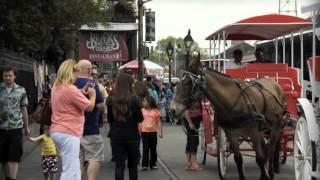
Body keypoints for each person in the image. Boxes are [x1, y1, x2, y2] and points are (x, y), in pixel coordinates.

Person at [50, 59, 96, 180]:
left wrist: (81, 91)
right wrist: (92, 95)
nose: (77, 76)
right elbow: (89, 107)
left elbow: (70, 97)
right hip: (68, 132)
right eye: (76, 73)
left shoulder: (56, 86)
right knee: (70, 170)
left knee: (74, 166)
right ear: (70, 72)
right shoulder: (70, 89)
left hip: (58, 130)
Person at [107, 73, 143, 180]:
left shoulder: (110, 100)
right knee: (133, 166)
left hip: (116, 136)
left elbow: (109, 119)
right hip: (132, 136)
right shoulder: (134, 99)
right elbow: (140, 119)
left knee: (119, 166)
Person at [75, 60, 105, 180]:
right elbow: (100, 106)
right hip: (90, 127)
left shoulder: (70, 83)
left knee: (78, 159)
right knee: (94, 157)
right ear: (89, 70)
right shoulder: (91, 84)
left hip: (73, 129)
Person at [0, 66, 30, 180]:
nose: (7, 78)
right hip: (1, 128)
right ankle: (7, 177)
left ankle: (13, 178)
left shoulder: (21, 90)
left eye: (10, 75)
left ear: (14, 76)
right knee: (3, 157)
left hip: (16, 128)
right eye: (5, 76)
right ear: (3, 76)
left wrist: (26, 127)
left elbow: (24, 109)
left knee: (14, 156)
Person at [140, 95, 163, 170]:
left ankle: (153, 163)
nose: (143, 102)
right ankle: (144, 164)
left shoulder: (156, 111)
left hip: (153, 132)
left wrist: (160, 132)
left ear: (149, 102)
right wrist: (139, 131)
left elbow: (159, 122)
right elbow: (139, 122)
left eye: (144, 101)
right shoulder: (142, 110)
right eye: (143, 101)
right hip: (144, 132)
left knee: (153, 148)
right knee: (145, 148)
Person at [184, 101, 203, 171]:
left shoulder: (197, 98)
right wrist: (190, 123)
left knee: (190, 141)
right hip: (191, 120)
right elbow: (186, 111)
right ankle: (193, 163)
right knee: (194, 141)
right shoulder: (191, 99)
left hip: (194, 120)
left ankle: (189, 163)